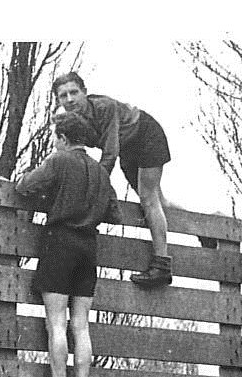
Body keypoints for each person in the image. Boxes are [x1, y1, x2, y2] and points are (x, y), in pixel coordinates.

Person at [12, 111, 121, 377]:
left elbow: (23, 187)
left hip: (60, 243)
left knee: (56, 323)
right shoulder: (101, 172)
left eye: (55, 139)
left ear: (62, 138)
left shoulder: (58, 161)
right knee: (82, 326)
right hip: (89, 247)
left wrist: (56, 198)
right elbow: (114, 214)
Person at [53, 71, 175, 287]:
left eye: (74, 92)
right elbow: (69, 149)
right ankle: (209, 224)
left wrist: (93, 187)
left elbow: (110, 154)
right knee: (159, 202)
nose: (70, 99)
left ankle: (162, 265)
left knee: (148, 198)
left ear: (85, 93)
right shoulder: (68, 119)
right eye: (63, 96)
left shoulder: (104, 108)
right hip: (128, 147)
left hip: (146, 135)